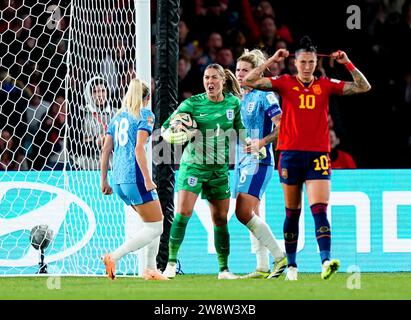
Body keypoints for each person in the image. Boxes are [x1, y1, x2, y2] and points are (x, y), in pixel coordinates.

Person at [244, 36, 371, 280]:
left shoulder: (326, 84)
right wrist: (272, 59)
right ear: (295, 62)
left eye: (311, 62)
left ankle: (325, 261)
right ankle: (291, 265)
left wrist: (347, 63)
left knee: (319, 209)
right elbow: (249, 80)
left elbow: (364, 86)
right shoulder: (284, 82)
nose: (306, 67)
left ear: (315, 63)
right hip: (290, 155)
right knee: (293, 212)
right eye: (302, 62)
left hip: (318, 155)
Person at [161, 63, 245, 280]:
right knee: (183, 213)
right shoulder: (192, 103)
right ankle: (170, 263)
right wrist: (172, 134)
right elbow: (167, 126)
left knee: (220, 219)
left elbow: (240, 130)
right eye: (207, 77)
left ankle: (224, 269)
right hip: (194, 166)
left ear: (223, 80)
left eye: (214, 77)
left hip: (219, 170)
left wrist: (252, 144)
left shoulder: (233, 104)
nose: (210, 82)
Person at [100, 78, 168, 281]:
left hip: (119, 179)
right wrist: (147, 179)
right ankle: (113, 257)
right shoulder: (145, 114)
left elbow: (105, 149)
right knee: (157, 226)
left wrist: (103, 180)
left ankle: (150, 269)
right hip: (135, 177)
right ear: (147, 97)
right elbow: (139, 148)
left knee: (152, 223)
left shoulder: (118, 116)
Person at [233, 49, 287, 279]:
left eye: (245, 70)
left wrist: (262, 141)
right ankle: (262, 265)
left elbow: (282, 124)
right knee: (252, 213)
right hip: (241, 161)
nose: (240, 75)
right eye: (238, 70)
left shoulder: (266, 95)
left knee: (244, 211)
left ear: (255, 71)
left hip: (260, 161)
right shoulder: (238, 98)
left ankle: (280, 257)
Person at [72, 77, 115, 170]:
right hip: (86, 165)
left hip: (112, 165)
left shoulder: (116, 114)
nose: (100, 95)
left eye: (103, 90)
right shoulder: (80, 113)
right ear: (89, 94)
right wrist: (96, 141)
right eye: (95, 91)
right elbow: (75, 146)